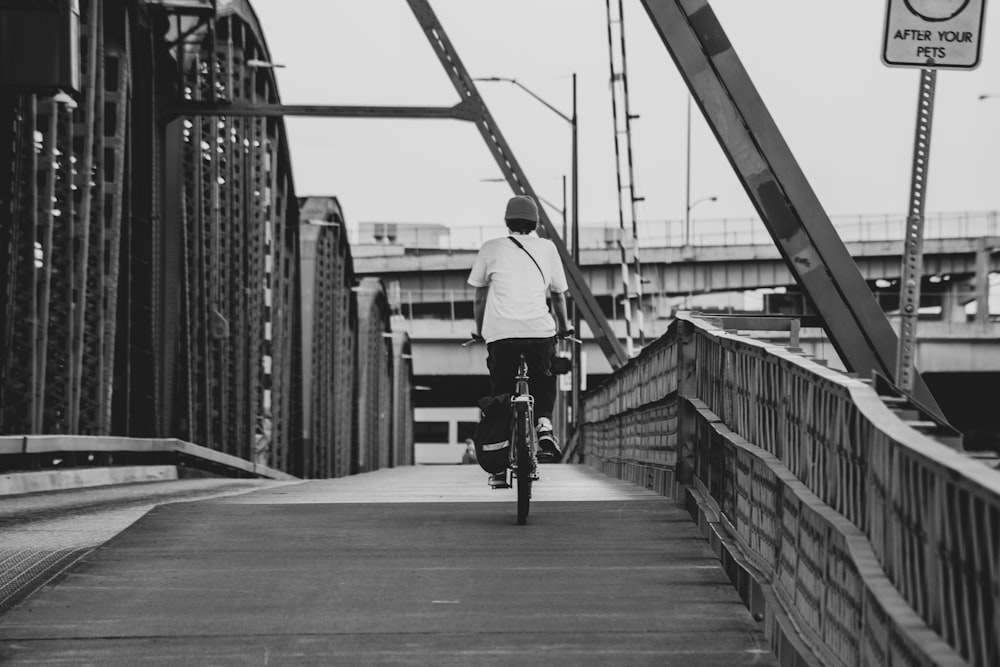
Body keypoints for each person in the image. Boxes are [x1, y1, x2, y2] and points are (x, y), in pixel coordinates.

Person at [467, 195, 572, 484]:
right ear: (536, 222)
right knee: (544, 377)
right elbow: (559, 297)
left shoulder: (490, 248)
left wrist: (480, 330)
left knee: (500, 392)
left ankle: (499, 470)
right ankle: (544, 425)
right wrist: (564, 329)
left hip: (501, 334)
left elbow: (479, 297)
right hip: (540, 332)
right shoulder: (548, 248)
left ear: (507, 221)